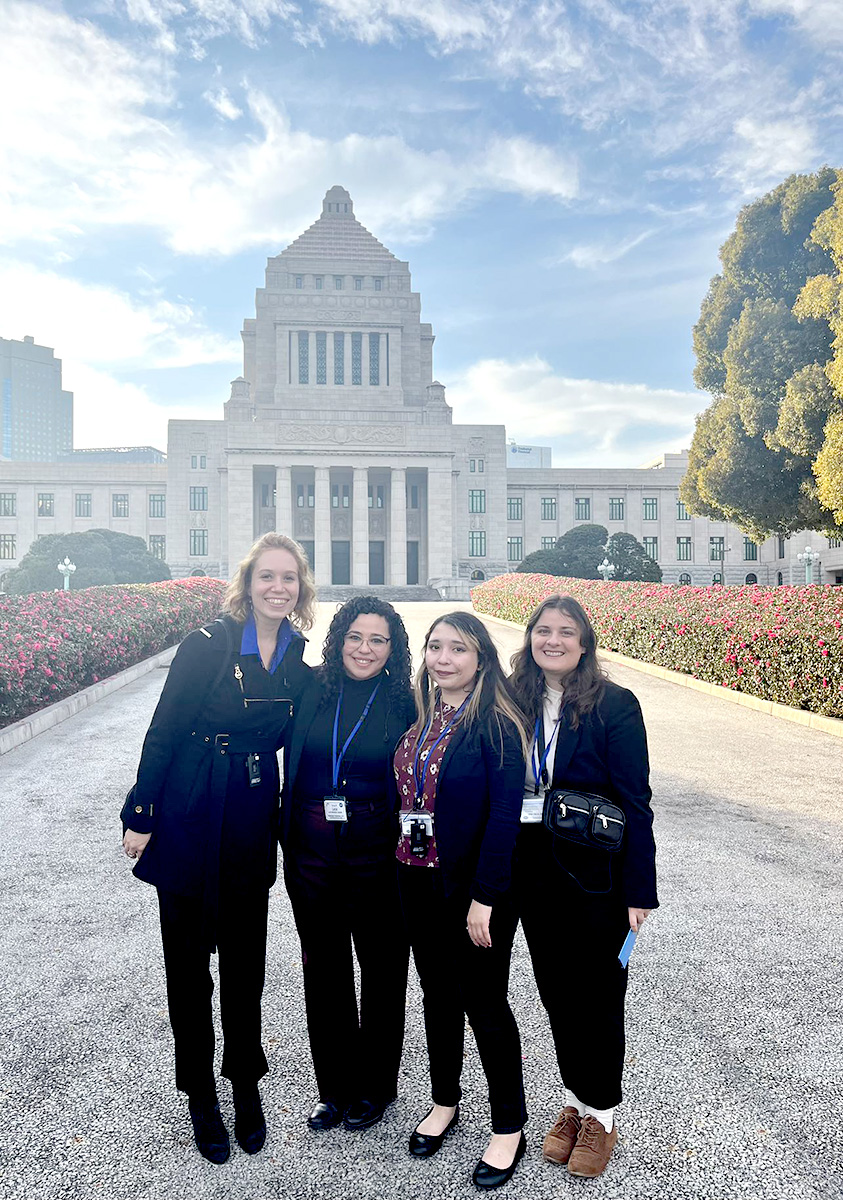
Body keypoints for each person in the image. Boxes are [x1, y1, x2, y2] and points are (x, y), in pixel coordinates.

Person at [120, 532, 315, 1164]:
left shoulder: (296, 657)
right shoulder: (205, 644)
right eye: (267, 576)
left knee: (244, 962)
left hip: (251, 813)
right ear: (247, 581)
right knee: (186, 965)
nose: (277, 588)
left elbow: (310, 733)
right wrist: (142, 811)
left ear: (301, 587)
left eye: (289, 578)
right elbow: (165, 726)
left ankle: (245, 1082)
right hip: (189, 804)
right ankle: (200, 1092)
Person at [507, 593, 658, 1180]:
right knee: (556, 994)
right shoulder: (514, 699)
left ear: (585, 642)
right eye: (544, 630)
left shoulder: (614, 705)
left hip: (596, 877)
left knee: (598, 996)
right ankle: (574, 1101)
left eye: (566, 632)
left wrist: (640, 890)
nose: (554, 641)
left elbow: (636, 802)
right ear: (530, 638)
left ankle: (603, 1115)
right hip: (532, 872)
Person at [394, 611, 531, 1191]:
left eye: (458, 649)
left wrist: (486, 897)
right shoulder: (424, 715)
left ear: (481, 659)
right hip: (417, 878)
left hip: (473, 891)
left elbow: (504, 817)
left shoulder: (497, 724)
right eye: (435, 647)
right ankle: (444, 1101)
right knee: (436, 995)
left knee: (484, 1002)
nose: (443, 659)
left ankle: (508, 1126)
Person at [281, 597, 415, 1133]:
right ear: (338, 639)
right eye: (355, 637)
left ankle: (377, 1087)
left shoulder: (407, 699)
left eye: (378, 640)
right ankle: (333, 1089)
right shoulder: (311, 687)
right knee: (325, 969)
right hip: (311, 852)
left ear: (393, 648)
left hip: (378, 852)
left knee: (383, 971)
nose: (365, 649)